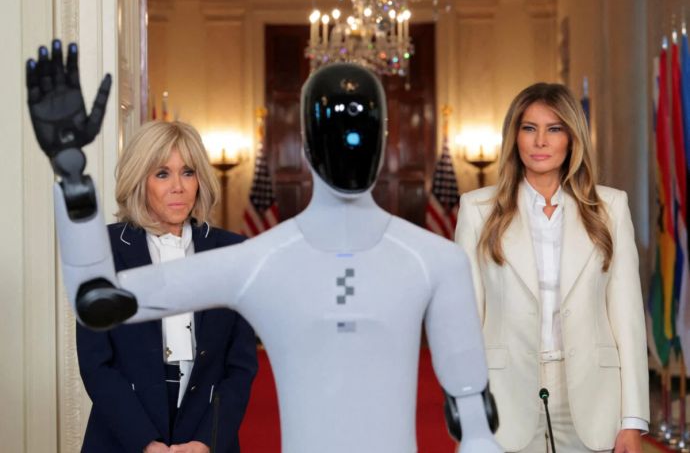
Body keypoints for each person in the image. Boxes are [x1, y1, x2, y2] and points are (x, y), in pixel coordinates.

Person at [27, 40, 501, 453]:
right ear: (307, 141)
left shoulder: (437, 260)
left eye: (187, 172)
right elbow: (99, 301)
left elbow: (473, 412)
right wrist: (72, 180)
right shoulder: (260, 260)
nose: (349, 141)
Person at [455, 82, 649, 452]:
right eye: (529, 128)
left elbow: (628, 320)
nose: (540, 141)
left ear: (572, 138)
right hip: (504, 396)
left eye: (554, 129)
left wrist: (633, 419)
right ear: (515, 137)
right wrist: (467, 411)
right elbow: (465, 320)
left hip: (592, 397)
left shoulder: (611, 208)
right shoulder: (477, 210)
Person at [76, 120, 258, 453]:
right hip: (123, 434)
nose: (178, 187)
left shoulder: (234, 252)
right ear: (139, 180)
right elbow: (96, 363)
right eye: (162, 174)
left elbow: (241, 367)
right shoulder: (100, 250)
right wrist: (145, 442)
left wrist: (207, 441)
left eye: (188, 172)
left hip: (206, 434)